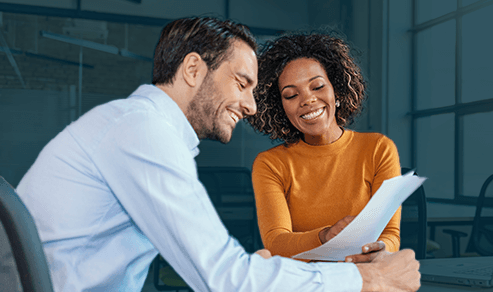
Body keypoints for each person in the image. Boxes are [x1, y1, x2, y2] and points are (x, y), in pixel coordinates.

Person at [15, 17, 420, 292]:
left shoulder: (138, 128)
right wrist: (367, 281)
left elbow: (217, 270)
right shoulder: (141, 132)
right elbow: (222, 278)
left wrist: (261, 269)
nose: (252, 105)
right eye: (242, 83)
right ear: (193, 70)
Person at [249, 32, 401, 263]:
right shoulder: (270, 163)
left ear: (336, 91)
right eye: (291, 95)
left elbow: (390, 234)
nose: (307, 100)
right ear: (281, 108)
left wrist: (380, 250)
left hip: (362, 277)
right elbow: (276, 242)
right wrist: (325, 236)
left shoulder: (379, 149)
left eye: (317, 86)